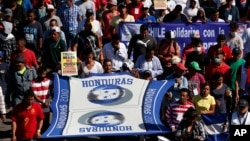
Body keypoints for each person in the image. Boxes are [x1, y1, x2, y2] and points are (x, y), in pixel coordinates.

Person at [31, 66, 53, 133]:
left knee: (46, 124)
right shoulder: (33, 83)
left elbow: (53, 92)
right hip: (37, 107)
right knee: (37, 124)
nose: (43, 75)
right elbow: (35, 96)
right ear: (38, 73)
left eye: (44, 74)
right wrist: (43, 102)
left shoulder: (49, 81)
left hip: (46, 108)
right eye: (41, 74)